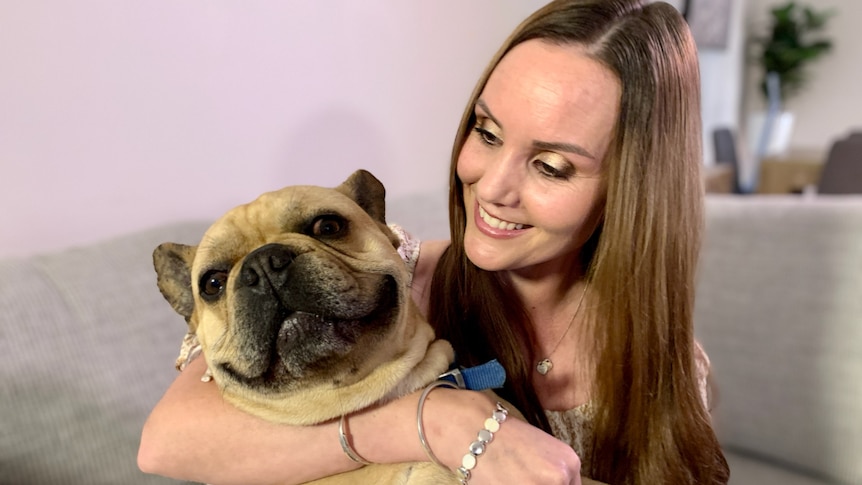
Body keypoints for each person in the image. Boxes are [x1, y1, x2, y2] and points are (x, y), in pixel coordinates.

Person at [138, 0, 730, 483]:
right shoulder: (397, 270)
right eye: (487, 131)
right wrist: (436, 422)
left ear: (633, 193)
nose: (491, 186)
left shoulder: (671, 365)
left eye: (551, 166)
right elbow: (166, 443)